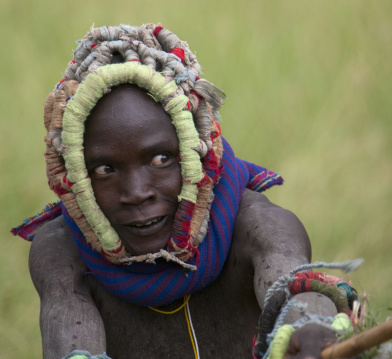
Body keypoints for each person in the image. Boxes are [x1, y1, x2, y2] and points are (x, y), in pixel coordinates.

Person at [12, 24, 368, 359]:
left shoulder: (256, 223)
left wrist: (308, 327)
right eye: (104, 170)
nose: (136, 193)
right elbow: (71, 341)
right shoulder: (62, 249)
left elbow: (292, 281)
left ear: (197, 152)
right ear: (76, 178)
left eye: (161, 158)